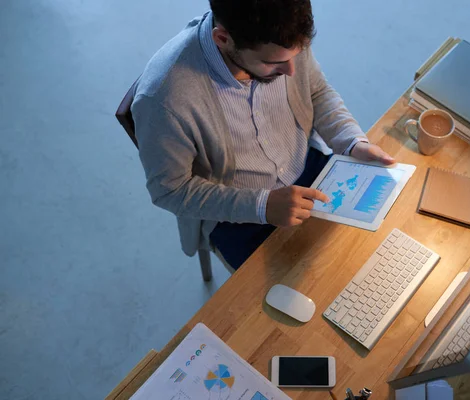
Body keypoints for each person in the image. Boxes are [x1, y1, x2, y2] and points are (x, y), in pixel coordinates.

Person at [132, 0, 395, 270]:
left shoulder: (283, 36)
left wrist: (351, 140)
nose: (291, 71)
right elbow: (169, 190)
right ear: (223, 39)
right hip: (237, 213)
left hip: (308, 166)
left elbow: (316, 92)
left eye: (297, 55)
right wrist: (261, 206)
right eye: (274, 63)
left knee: (375, 251)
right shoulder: (164, 99)